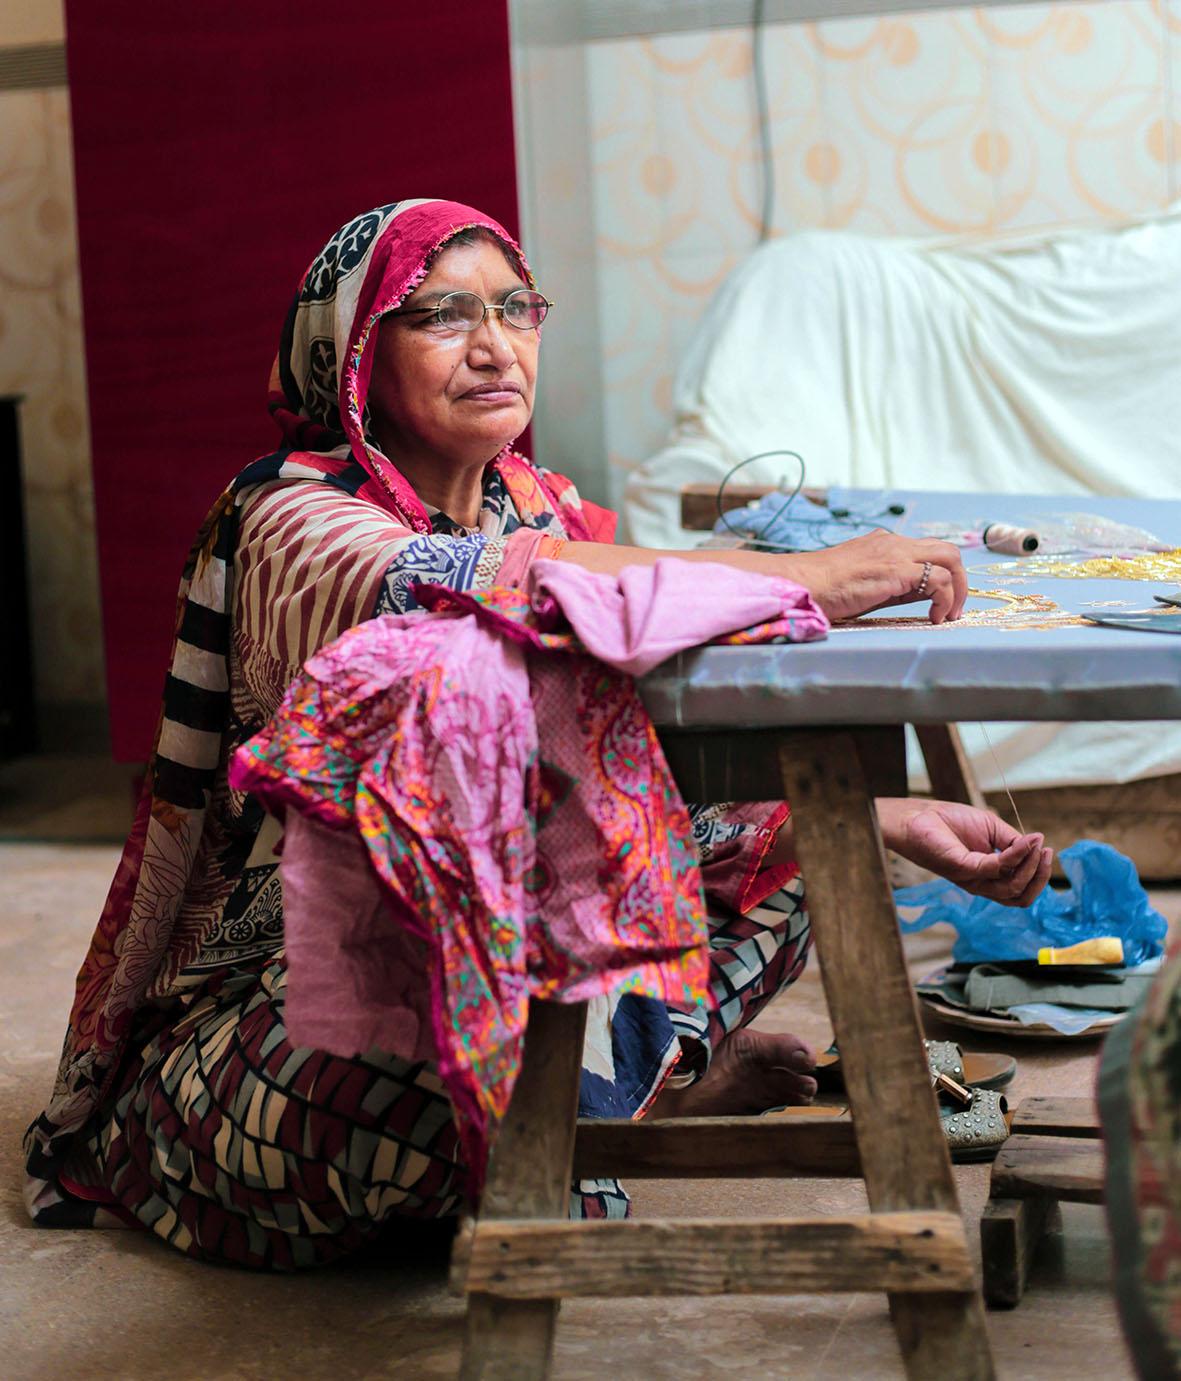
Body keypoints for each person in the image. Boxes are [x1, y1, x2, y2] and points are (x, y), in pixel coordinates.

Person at [24, 199, 1053, 1269]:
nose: (492, 345)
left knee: (804, 865)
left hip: (501, 962)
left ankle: (602, 1098)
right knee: (445, 1061)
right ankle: (616, 1106)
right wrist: (813, 578)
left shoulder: (536, 505)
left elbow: (634, 770)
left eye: (516, 309)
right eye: (440, 315)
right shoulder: (292, 514)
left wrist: (878, 816)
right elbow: (494, 593)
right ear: (356, 354)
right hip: (287, 1014)